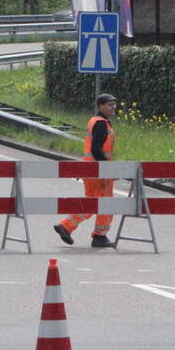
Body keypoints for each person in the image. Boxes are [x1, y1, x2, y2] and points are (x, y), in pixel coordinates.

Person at [54, 93, 118, 249]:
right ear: (101, 106)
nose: (113, 107)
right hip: (98, 171)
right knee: (105, 204)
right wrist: (106, 169)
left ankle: (66, 226)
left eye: (114, 104)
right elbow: (96, 149)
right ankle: (99, 236)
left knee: (92, 202)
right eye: (110, 105)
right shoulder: (101, 123)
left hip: (89, 169)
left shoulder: (95, 121)